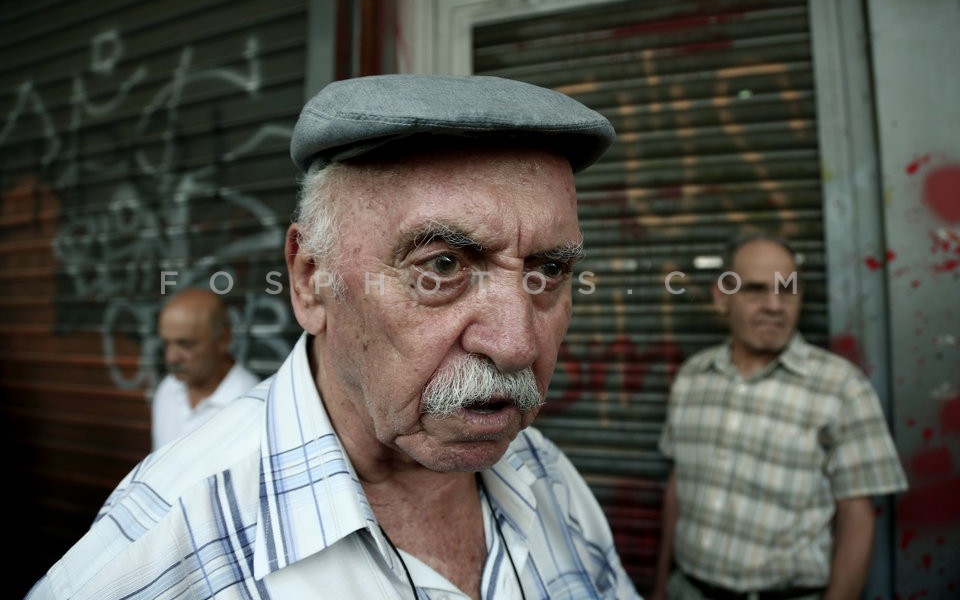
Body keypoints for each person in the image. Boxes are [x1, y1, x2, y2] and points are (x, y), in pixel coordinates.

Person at [26, 74, 641, 600]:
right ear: (310, 281)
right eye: (443, 266)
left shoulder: (547, 476)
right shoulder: (161, 552)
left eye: (548, 271)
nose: (516, 345)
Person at [651, 233, 908, 600]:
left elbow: (858, 518)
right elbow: (679, 485)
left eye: (787, 290)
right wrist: (662, 588)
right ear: (722, 298)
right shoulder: (693, 376)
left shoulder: (842, 388)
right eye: (756, 289)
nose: (775, 305)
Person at [151, 287, 261, 449]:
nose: (171, 357)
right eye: (166, 343)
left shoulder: (252, 405)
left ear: (223, 339)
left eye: (185, 344)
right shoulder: (168, 388)